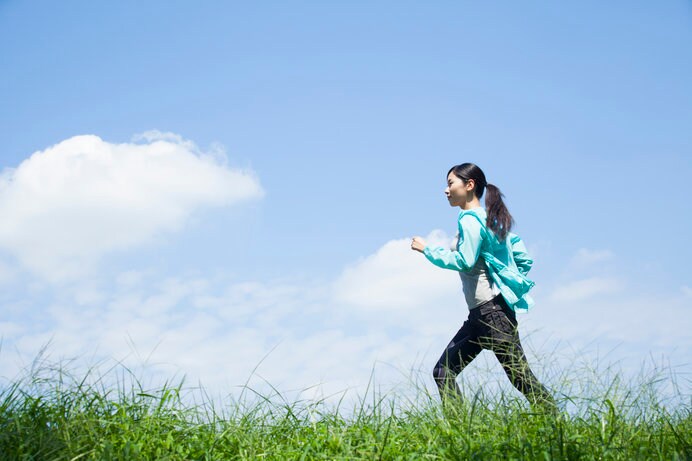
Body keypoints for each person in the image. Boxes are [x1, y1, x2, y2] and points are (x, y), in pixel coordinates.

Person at [411, 162, 555, 410]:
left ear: (469, 185)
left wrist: (427, 250)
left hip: (492, 314)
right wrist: (505, 281)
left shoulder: (469, 220)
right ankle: (460, 433)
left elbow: (465, 261)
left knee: (520, 378)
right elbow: (522, 257)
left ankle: (556, 425)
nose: (446, 190)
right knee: (443, 370)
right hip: (482, 315)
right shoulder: (492, 219)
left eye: (450, 184)